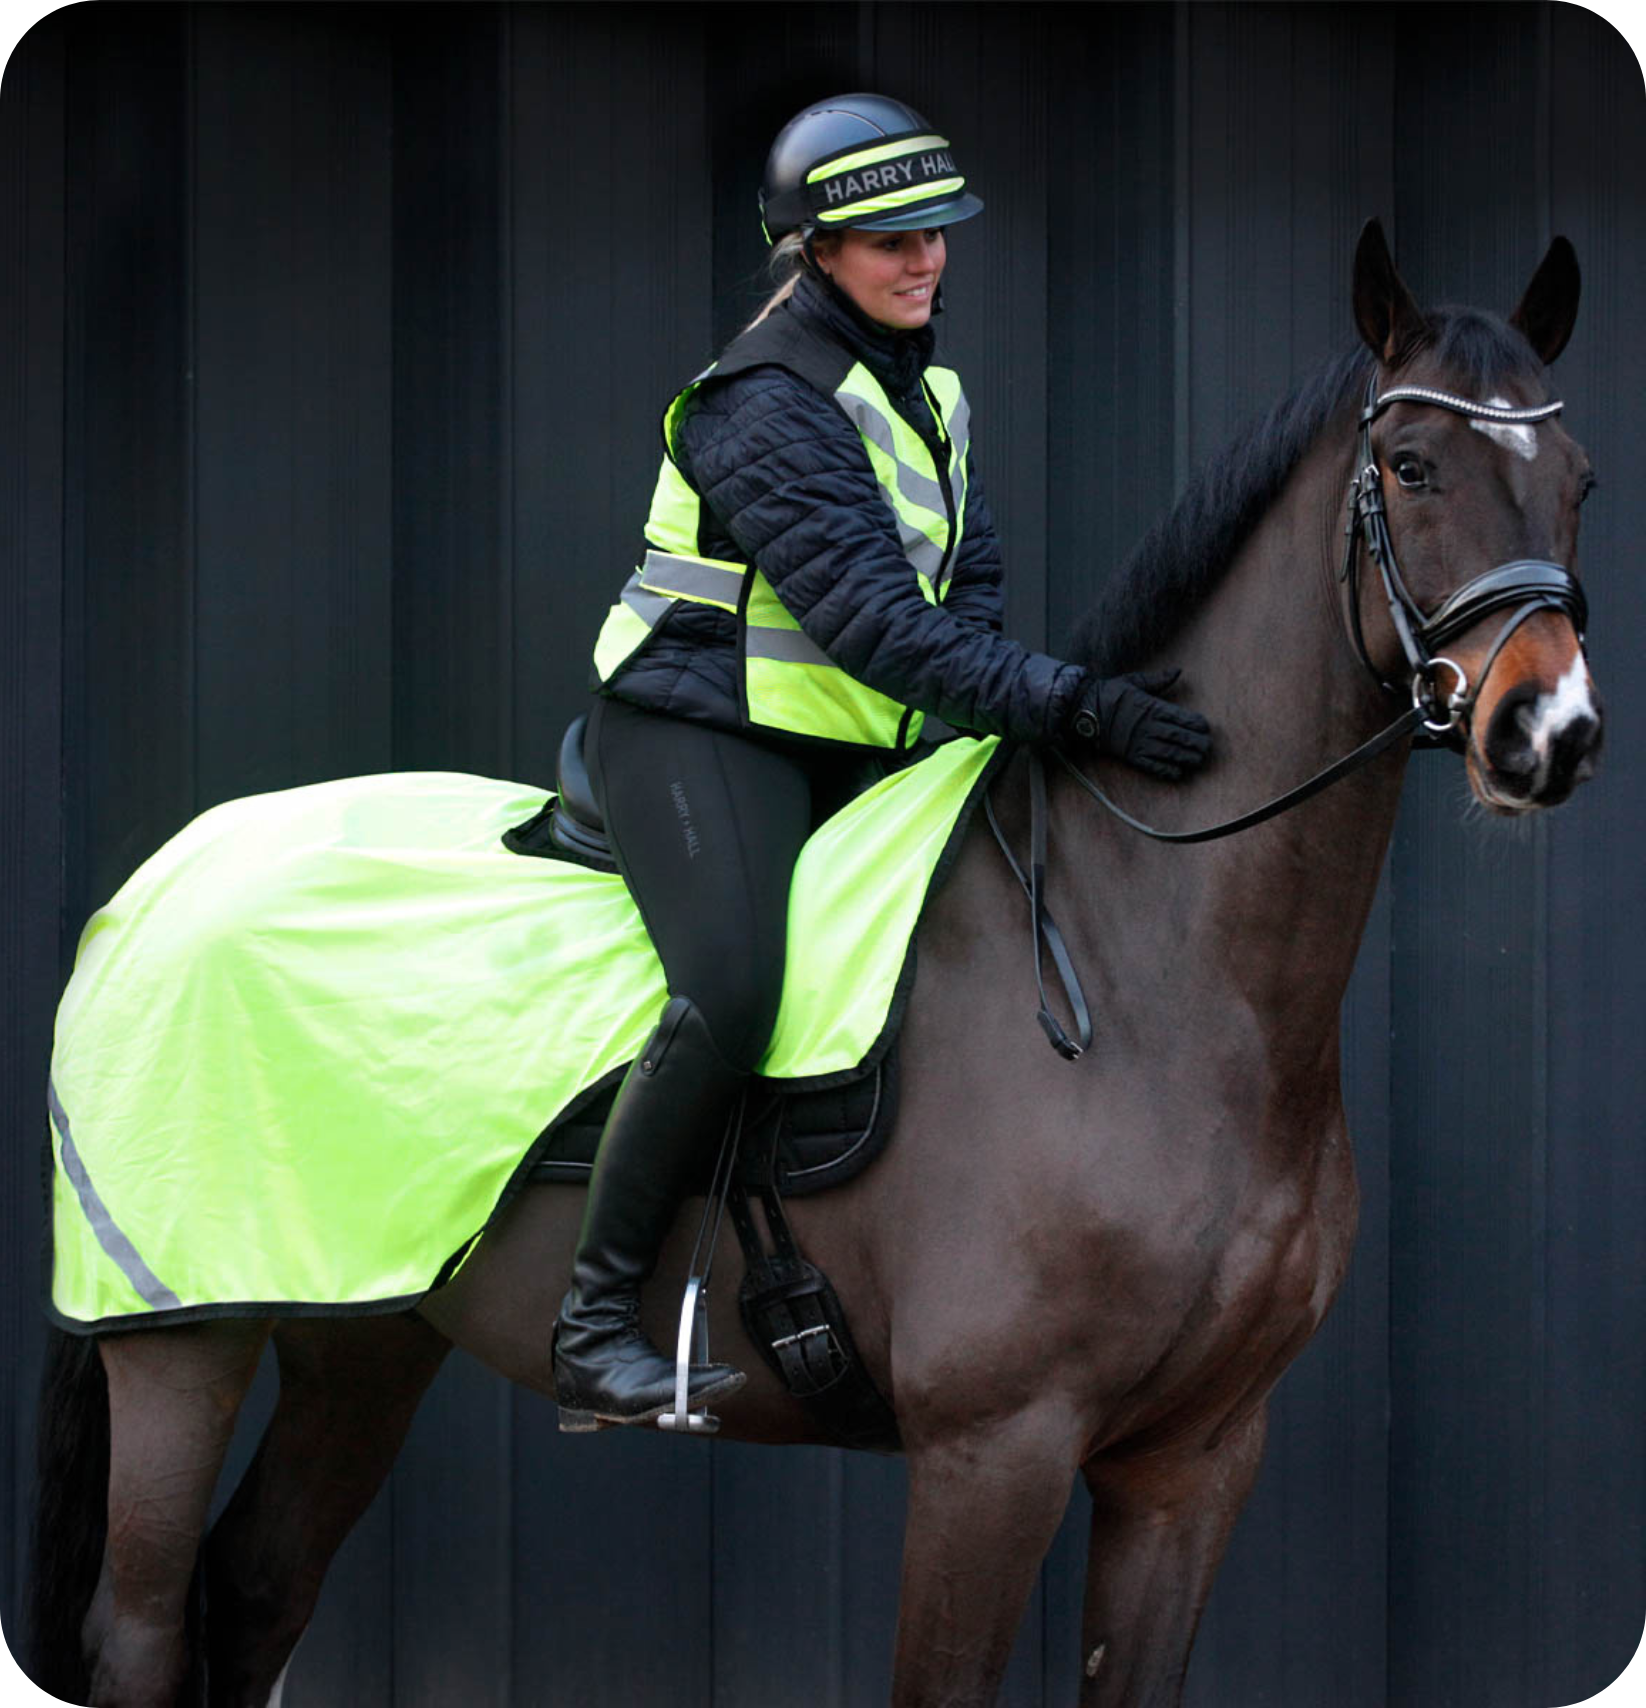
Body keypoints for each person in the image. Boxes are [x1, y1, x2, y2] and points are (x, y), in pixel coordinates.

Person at [552, 92, 1212, 1429]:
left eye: (935, 232)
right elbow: (876, 631)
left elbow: (965, 600)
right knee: (734, 992)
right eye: (887, 239)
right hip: (700, 733)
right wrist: (1073, 705)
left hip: (852, 743)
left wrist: (1025, 704)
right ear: (813, 252)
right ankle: (591, 1322)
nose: (924, 258)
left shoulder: (929, 392)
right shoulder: (761, 405)